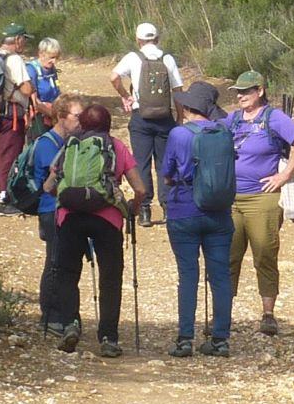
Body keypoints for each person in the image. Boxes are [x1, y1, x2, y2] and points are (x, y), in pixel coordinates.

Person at [49, 103, 146, 357]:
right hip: (107, 219)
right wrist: (133, 208)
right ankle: (108, 337)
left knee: (68, 274)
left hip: (70, 217)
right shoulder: (116, 146)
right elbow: (141, 189)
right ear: (108, 124)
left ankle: (71, 324)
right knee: (110, 279)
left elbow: (50, 184)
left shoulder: (70, 146)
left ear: (83, 124)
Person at [224, 70, 294, 336]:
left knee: (264, 254)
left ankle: (268, 313)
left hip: (263, 198)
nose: (241, 96)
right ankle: (222, 314)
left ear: (260, 91)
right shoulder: (233, 120)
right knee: (228, 256)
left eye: (246, 91)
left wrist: (284, 175)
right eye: (238, 92)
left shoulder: (274, 118)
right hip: (231, 199)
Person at [161, 81, 234, 357]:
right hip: (219, 212)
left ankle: (184, 339)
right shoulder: (224, 131)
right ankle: (220, 339)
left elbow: (167, 173)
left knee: (188, 275)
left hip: (184, 212)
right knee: (220, 276)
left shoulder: (179, 134)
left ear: (188, 107)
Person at [109, 22, 184, 228]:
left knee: (141, 162)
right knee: (164, 162)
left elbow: (114, 77)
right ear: (157, 39)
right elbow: (178, 90)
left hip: (140, 116)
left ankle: (145, 211)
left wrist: (126, 96)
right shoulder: (167, 59)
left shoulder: (133, 58)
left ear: (138, 40)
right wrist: (179, 116)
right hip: (164, 117)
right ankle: (168, 207)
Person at [32, 93, 83, 336]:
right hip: (50, 210)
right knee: (53, 262)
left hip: (66, 210)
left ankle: (67, 313)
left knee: (66, 263)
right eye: (77, 116)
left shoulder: (71, 142)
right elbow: (49, 183)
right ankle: (50, 315)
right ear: (62, 117)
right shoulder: (45, 143)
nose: (81, 121)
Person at [0, 23, 34, 216]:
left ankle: (4, 195)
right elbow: (26, 88)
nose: (24, 43)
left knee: (3, 155)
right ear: (17, 40)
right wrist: (31, 88)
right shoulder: (14, 59)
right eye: (24, 39)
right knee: (9, 157)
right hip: (12, 114)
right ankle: (1, 200)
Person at [25, 37, 62, 142]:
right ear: (41, 54)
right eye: (51, 57)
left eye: (56, 57)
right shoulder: (31, 70)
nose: (54, 61)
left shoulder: (52, 69)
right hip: (38, 118)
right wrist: (53, 115)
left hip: (53, 115)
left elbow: (57, 91)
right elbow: (34, 101)